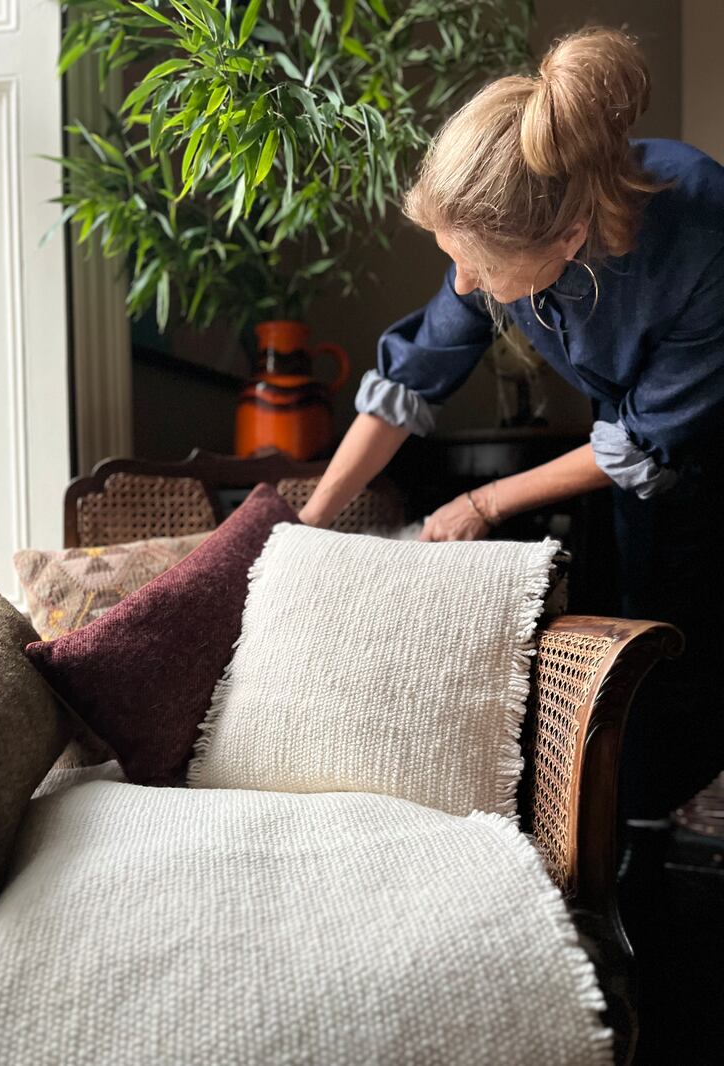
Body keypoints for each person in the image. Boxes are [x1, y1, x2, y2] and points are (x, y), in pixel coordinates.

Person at [297, 26, 724, 822]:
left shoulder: (703, 227)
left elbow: (645, 438)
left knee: (697, 674)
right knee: (640, 675)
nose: (463, 282)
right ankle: (633, 832)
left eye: (481, 269)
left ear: (569, 238)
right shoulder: (513, 215)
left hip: (706, 451)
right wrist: (310, 520)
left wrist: (486, 502)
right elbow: (413, 374)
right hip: (635, 470)